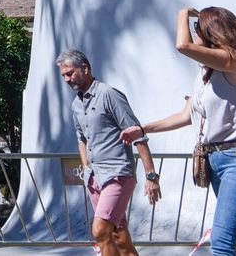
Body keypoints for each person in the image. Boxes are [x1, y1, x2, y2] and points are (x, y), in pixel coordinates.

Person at [125, 7, 236, 256]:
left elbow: (182, 45)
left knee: (222, 243)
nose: (193, 33)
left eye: (197, 28)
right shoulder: (204, 77)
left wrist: (183, 13)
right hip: (216, 161)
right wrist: (142, 129)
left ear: (210, 33)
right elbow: (185, 116)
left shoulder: (235, 61)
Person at [57, 48, 161, 256]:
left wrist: (151, 176)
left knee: (100, 230)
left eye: (70, 73)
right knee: (119, 238)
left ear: (85, 68)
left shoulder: (109, 94)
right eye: (64, 76)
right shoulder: (76, 105)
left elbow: (137, 133)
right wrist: (87, 169)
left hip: (117, 174)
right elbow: (82, 140)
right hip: (95, 178)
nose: (67, 79)